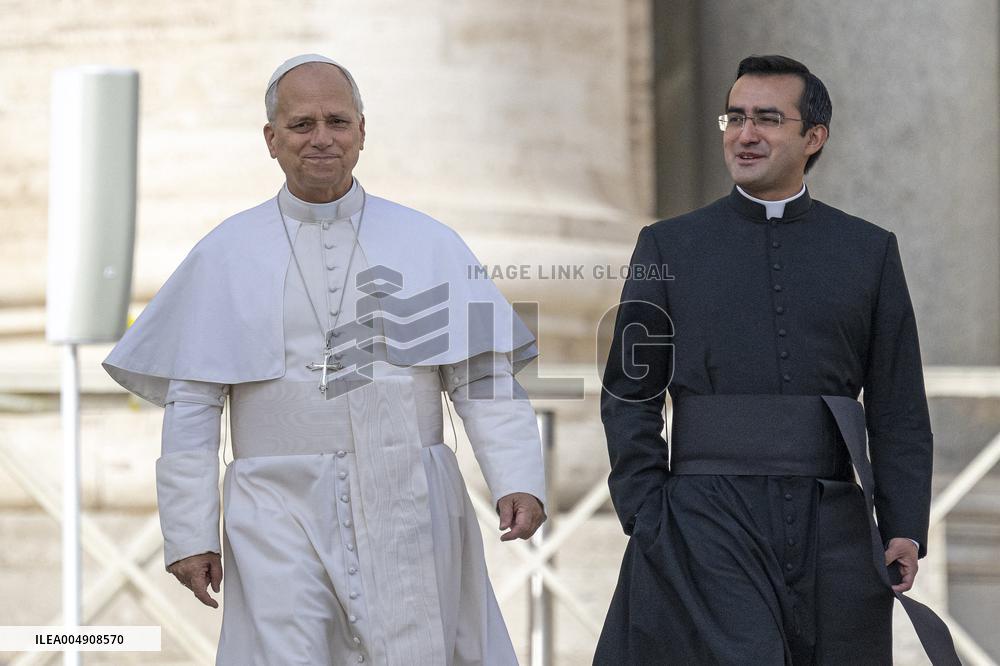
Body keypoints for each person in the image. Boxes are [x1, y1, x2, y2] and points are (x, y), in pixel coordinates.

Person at [104, 54, 546, 666]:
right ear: (271, 139)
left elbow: (480, 377)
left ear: (362, 131)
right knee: (289, 651)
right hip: (274, 503)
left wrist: (517, 477)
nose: (321, 139)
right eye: (301, 124)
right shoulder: (226, 252)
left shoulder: (428, 242)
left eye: (337, 121)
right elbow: (193, 406)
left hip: (408, 494)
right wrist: (189, 532)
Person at [594, 55, 958, 665]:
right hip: (703, 521)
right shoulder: (667, 245)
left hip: (834, 525)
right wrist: (646, 510)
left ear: (813, 137)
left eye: (767, 118)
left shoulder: (868, 251)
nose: (745, 133)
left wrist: (903, 525)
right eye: (734, 117)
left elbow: (897, 403)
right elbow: (629, 392)